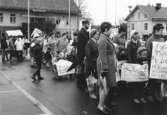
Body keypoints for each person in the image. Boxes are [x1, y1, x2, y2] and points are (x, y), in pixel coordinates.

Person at [97, 22, 117, 114]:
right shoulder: (103, 39)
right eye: (110, 29)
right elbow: (102, 55)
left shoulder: (105, 38)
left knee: (106, 86)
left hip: (109, 64)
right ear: (106, 29)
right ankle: (100, 105)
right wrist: (104, 69)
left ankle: (102, 104)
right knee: (105, 86)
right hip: (106, 65)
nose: (111, 30)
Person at [127, 31, 147, 104]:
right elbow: (128, 55)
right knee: (136, 83)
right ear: (133, 35)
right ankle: (135, 97)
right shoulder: (129, 44)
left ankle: (141, 97)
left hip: (141, 64)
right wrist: (131, 65)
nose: (138, 35)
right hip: (134, 65)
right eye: (136, 34)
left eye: (137, 34)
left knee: (142, 81)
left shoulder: (139, 42)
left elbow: (142, 52)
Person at [146, 23, 165, 102]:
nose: (162, 32)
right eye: (161, 30)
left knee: (159, 81)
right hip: (152, 63)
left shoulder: (162, 39)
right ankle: (150, 95)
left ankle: (158, 95)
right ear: (156, 30)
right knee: (152, 81)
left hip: (160, 63)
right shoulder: (150, 39)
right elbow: (148, 52)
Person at [85, 29, 100, 99]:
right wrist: (92, 64)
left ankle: (94, 91)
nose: (98, 35)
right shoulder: (89, 43)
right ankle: (91, 93)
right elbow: (88, 55)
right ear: (93, 35)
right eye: (97, 34)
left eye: (98, 34)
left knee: (95, 78)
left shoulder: (96, 42)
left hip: (96, 62)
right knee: (90, 78)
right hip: (91, 63)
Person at [76, 20, 90, 90]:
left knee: (82, 68)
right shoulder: (81, 33)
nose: (89, 25)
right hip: (81, 54)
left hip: (83, 54)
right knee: (80, 69)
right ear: (84, 24)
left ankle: (81, 83)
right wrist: (83, 55)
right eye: (88, 24)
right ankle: (79, 83)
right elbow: (81, 46)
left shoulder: (84, 32)